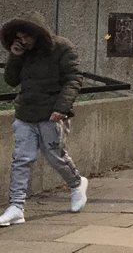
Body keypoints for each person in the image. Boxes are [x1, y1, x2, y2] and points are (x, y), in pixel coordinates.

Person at [0, 15, 88, 227]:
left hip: (51, 113)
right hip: (26, 113)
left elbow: (74, 78)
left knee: (55, 155)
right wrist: (15, 56)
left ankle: (77, 183)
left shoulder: (62, 48)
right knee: (21, 159)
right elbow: (11, 80)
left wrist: (61, 107)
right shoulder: (23, 52)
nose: (23, 41)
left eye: (26, 37)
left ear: (37, 34)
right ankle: (16, 206)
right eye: (19, 37)